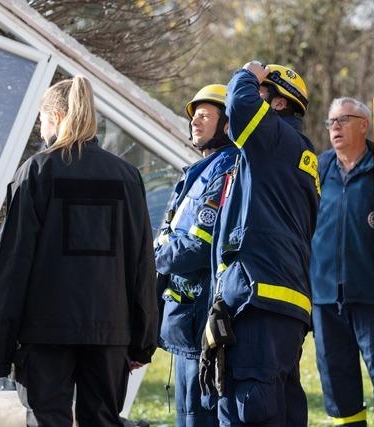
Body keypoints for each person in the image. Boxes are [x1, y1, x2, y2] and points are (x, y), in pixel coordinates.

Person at [0, 75, 158, 427]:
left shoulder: (36, 172)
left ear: (58, 116)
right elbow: (141, 263)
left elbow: (13, 268)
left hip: (45, 332)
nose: (40, 129)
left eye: (42, 120)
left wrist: (0, 350)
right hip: (111, 331)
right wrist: (142, 340)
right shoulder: (127, 176)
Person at [202, 61, 320, 426]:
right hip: (273, 300)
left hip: (261, 296)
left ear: (279, 105)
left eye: (262, 92)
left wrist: (247, 72)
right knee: (280, 409)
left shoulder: (275, 140)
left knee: (251, 410)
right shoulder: (287, 153)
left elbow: (238, 106)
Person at [154, 84, 239, 427]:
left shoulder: (227, 169)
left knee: (199, 416)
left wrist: (156, 255)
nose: (195, 122)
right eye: (194, 116)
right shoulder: (197, 172)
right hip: (184, 323)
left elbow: (197, 247)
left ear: (226, 125)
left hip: (201, 319)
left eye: (205, 115)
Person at [309, 97, 374, 426]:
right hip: (324, 298)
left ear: (364, 125)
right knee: (337, 383)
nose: (334, 127)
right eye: (331, 121)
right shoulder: (318, 170)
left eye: (343, 120)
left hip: (373, 296)